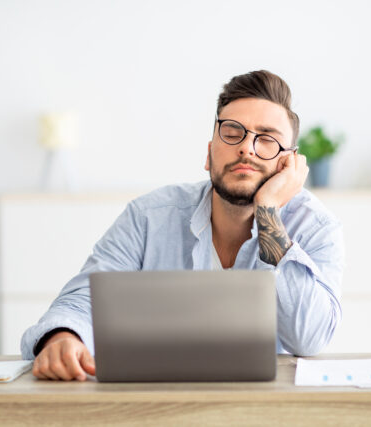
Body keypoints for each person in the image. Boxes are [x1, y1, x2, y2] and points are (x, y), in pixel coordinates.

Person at [22, 70, 345, 381]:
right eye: (232, 132)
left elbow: (310, 337)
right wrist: (63, 338)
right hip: (156, 403)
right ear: (209, 154)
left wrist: (269, 213)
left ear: (290, 165)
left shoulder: (316, 227)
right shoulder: (148, 216)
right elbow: (82, 300)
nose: (247, 147)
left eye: (268, 140)